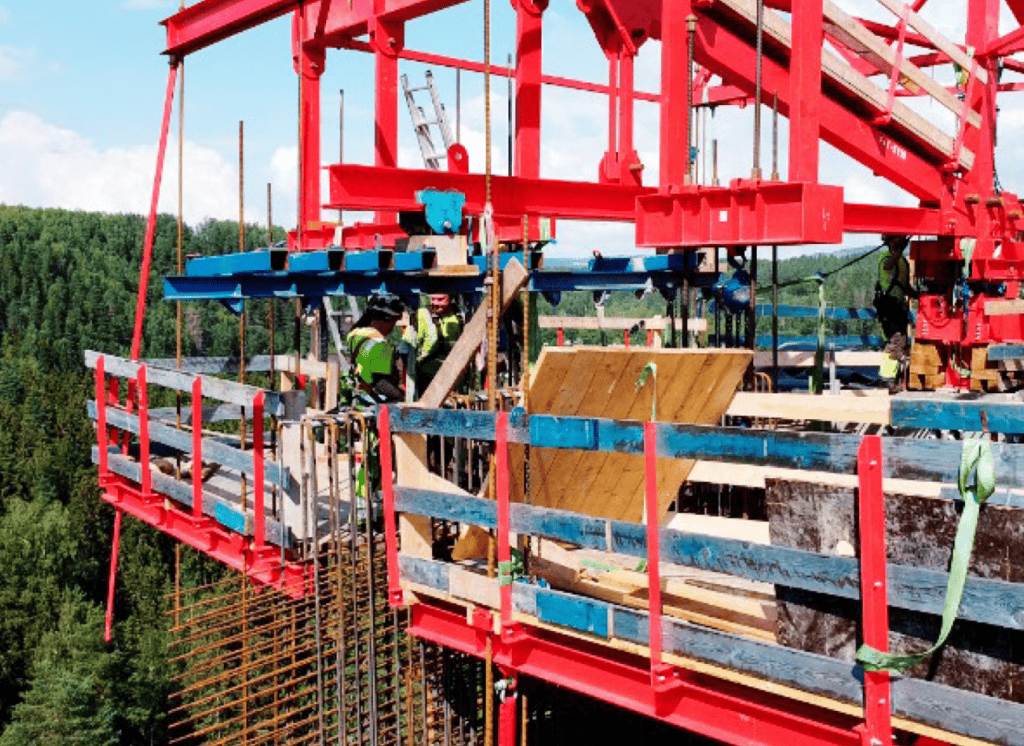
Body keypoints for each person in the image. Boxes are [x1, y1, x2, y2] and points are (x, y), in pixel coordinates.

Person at [345, 292, 406, 410]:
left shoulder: (354, 335)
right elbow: (380, 384)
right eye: (393, 322)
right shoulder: (381, 345)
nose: (393, 327)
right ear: (387, 320)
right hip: (373, 404)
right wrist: (402, 397)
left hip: (358, 400)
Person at [401, 293, 463, 397]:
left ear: (450, 297)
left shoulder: (460, 316)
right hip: (427, 376)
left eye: (441, 299)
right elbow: (406, 346)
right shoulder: (422, 315)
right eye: (433, 299)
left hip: (454, 376)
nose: (435, 303)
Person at [874, 235, 913, 392]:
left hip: (898, 306)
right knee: (896, 341)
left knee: (901, 342)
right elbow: (888, 267)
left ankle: (893, 378)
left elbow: (905, 286)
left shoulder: (902, 261)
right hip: (889, 304)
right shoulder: (886, 258)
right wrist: (898, 252)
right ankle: (886, 379)